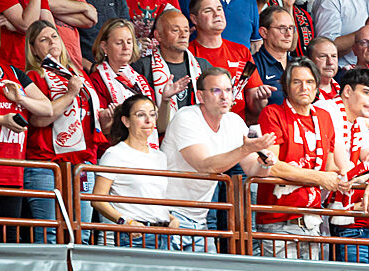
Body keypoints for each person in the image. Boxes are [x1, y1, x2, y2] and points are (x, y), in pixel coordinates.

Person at [162, 68, 274, 252]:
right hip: (170, 215)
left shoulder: (234, 121)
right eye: (216, 91)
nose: (224, 97)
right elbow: (206, 165)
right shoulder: (186, 117)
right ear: (200, 96)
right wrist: (246, 148)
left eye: (229, 90)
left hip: (200, 219)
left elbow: (253, 169)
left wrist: (266, 162)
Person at [255, 58, 345, 259]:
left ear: (317, 86)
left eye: (310, 82)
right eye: (297, 82)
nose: (304, 87)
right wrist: (319, 178)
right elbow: (273, 167)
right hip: (278, 221)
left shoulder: (324, 117)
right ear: (286, 86)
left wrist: (343, 179)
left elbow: (329, 166)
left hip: (313, 221)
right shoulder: (272, 113)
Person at [24, 19, 101, 243]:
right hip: (46, 163)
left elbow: (88, 118)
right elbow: (38, 120)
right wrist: (69, 95)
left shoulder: (77, 75)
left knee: (82, 234)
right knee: (48, 234)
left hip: (82, 162)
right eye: (43, 39)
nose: (51, 42)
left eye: (54, 36)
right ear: (33, 48)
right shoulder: (33, 77)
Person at [92, 94, 176, 248]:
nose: (148, 121)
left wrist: (170, 218)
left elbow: (152, 199)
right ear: (126, 121)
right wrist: (125, 221)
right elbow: (98, 199)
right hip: (134, 235)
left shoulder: (160, 156)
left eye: (152, 114)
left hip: (163, 234)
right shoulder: (114, 154)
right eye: (141, 115)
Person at [325, 68, 369, 263]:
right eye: (367, 92)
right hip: (321, 212)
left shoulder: (358, 121)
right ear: (347, 92)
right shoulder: (328, 111)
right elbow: (342, 169)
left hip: (339, 215)